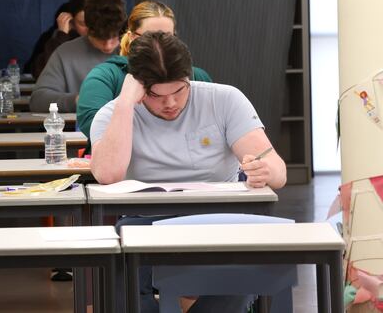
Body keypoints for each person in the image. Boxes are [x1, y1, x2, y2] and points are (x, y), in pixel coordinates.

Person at [90, 31, 287, 313]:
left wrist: (266, 170)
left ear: (189, 76)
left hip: (219, 216)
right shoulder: (114, 114)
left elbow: (278, 171)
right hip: (145, 222)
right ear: (139, 86)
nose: (170, 103)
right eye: (157, 95)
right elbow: (107, 175)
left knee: (257, 261)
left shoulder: (224, 99)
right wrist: (125, 103)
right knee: (118, 261)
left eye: (179, 91)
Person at [77, 1, 211, 143]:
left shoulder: (197, 76)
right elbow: (92, 124)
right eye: (150, 37)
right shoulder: (105, 76)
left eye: (167, 37)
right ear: (132, 37)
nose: (159, 44)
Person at [29, 0, 126, 113]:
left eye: (114, 37)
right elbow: (37, 100)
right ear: (88, 29)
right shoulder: (65, 53)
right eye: (100, 38)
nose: (108, 45)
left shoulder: (133, 51)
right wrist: (76, 100)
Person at [24, 0, 94, 79]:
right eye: (83, 23)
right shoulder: (53, 37)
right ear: (71, 21)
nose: (90, 29)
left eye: (94, 22)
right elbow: (40, 74)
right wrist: (60, 37)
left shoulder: (108, 39)